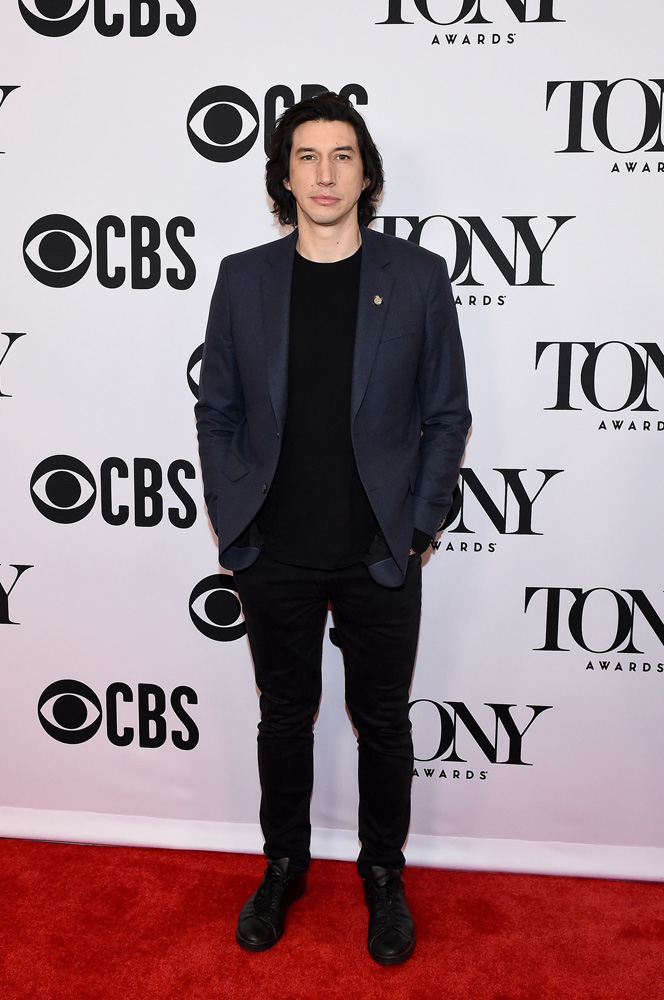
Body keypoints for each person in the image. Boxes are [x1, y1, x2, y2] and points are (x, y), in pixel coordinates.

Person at [195, 92, 470, 965]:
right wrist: (234, 509)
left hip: (378, 552)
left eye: (342, 155)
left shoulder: (419, 277)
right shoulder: (244, 276)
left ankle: (383, 877)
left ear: (366, 171)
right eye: (307, 156)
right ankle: (284, 866)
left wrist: (418, 528)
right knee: (285, 717)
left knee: (383, 721)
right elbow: (219, 410)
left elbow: (445, 415)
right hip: (274, 549)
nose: (325, 173)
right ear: (283, 173)